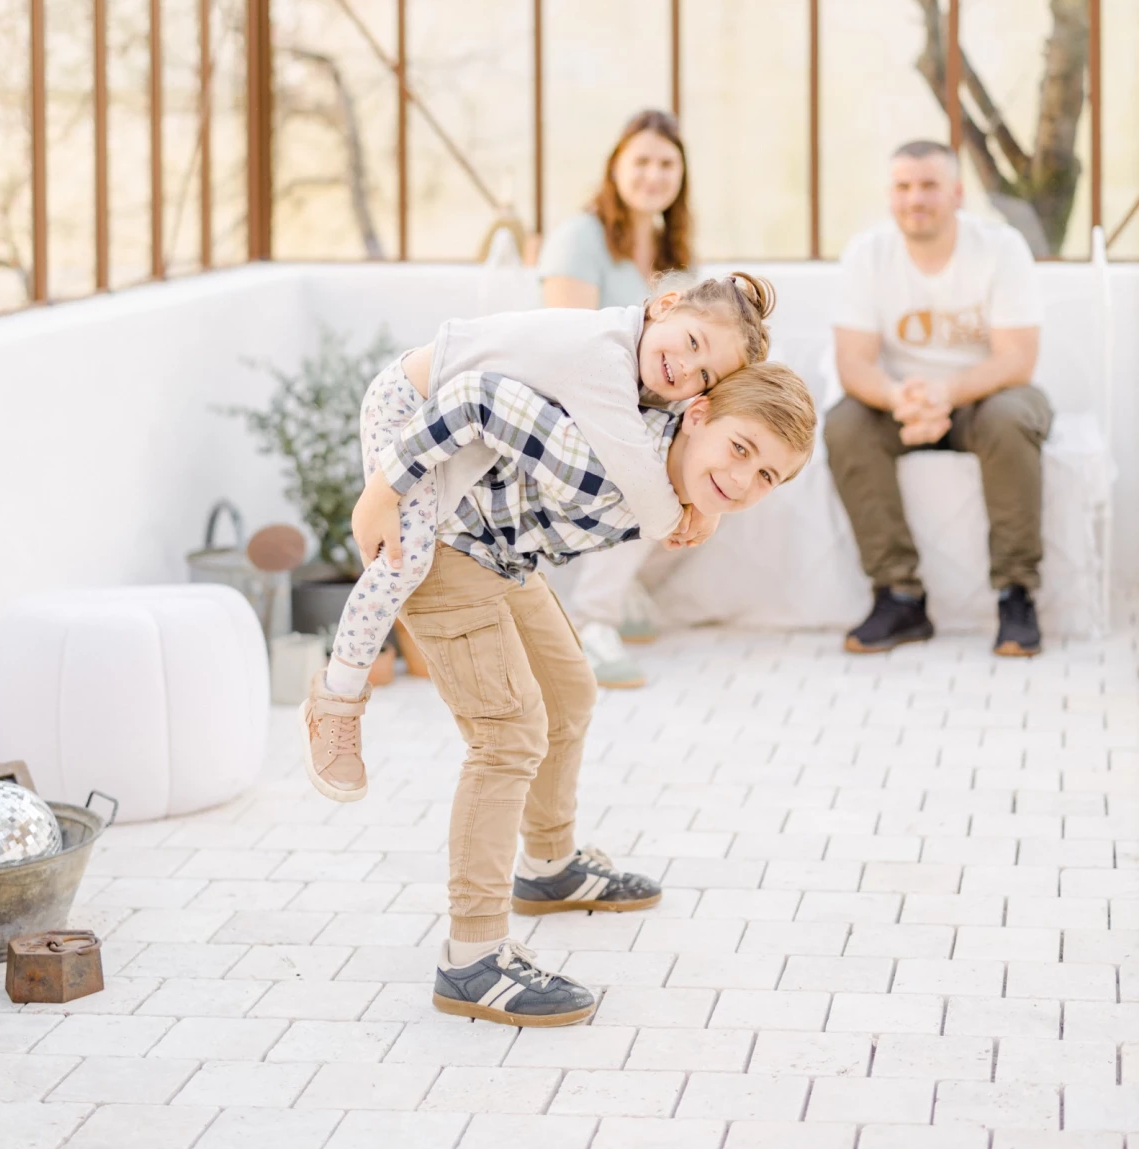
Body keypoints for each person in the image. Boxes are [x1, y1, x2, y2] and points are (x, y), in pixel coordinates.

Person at [334, 355, 816, 1026]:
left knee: (569, 692)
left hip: (499, 549)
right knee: (508, 736)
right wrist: (387, 487)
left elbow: (703, 479)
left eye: (767, 475)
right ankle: (471, 958)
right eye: (741, 450)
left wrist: (703, 505)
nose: (743, 478)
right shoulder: (600, 448)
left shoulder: (676, 464)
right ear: (696, 416)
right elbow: (476, 394)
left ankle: (549, 865)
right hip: (440, 540)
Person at [302, 272, 776, 804]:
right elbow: (641, 480)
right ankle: (335, 698)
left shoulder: (644, 366)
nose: (687, 368)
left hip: (459, 432)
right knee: (404, 559)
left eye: (705, 374)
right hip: (411, 405)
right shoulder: (603, 357)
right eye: (692, 343)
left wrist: (701, 505)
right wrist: (691, 515)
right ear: (664, 305)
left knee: (435, 545)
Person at [825, 139, 1051, 658]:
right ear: (890, 195)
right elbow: (853, 362)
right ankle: (899, 596)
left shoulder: (1001, 247)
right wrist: (901, 398)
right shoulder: (868, 254)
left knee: (1011, 416)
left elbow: (1017, 359)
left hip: (986, 399)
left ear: (957, 193)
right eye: (903, 187)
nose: (915, 199)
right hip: (901, 404)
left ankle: (1017, 595)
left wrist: (944, 394)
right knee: (844, 424)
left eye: (929, 185)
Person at [538, 109, 691, 687]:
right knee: (646, 461)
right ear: (616, 168)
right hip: (574, 401)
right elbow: (572, 348)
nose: (653, 175)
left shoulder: (674, 248)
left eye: (666, 164)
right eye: (642, 161)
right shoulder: (581, 237)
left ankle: (622, 591)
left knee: (722, 452)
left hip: (644, 402)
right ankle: (592, 620)